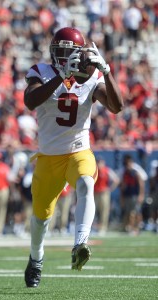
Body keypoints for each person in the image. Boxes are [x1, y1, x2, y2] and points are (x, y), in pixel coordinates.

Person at [23, 27, 123, 288]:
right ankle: (36, 259)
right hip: (48, 156)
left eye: (69, 52)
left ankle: (80, 242)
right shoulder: (41, 71)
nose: (64, 56)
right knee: (41, 218)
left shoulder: (91, 75)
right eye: (60, 51)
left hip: (78, 150)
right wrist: (60, 77)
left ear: (81, 54)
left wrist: (108, 73)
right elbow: (31, 100)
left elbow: (117, 107)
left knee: (86, 183)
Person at [119, 154, 145, 235]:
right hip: (128, 195)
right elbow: (123, 186)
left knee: (135, 212)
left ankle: (136, 227)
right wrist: (122, 197)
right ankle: (131, 227)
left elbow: (141, 184)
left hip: (135, 195)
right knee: (129, 212)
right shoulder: (125, 173)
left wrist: (141, 195)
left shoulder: (136, 172)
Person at [94, 156, 119, 236]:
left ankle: (103, 227)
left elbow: (116, 180)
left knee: (104, 210)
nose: (98, 164)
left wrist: (109, 189)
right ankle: (94, 227)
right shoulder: (93, 171)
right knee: (93, 210)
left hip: (103, 193)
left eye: (100, 162)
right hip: (94, 192)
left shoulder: (106, 170)